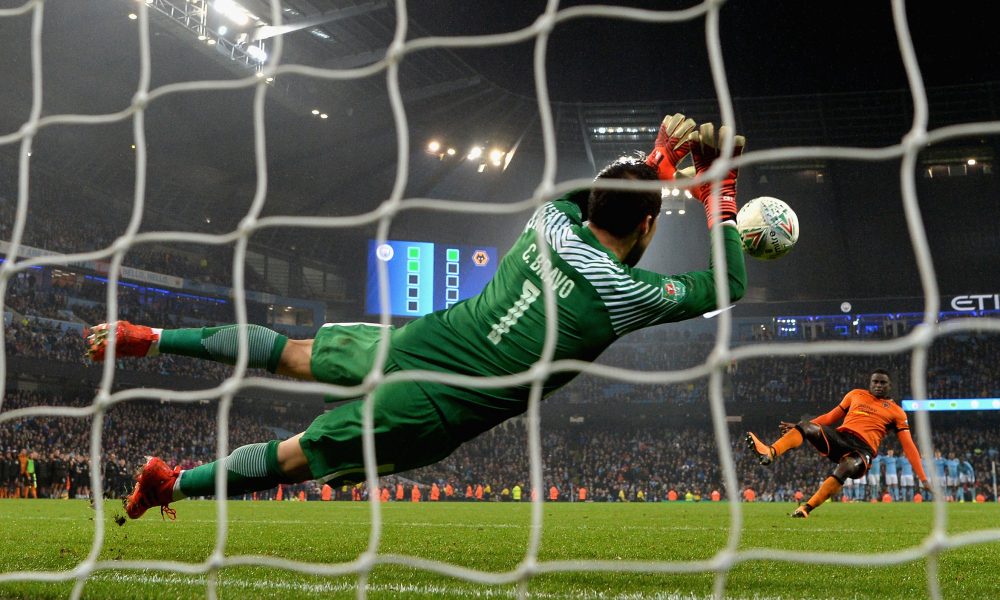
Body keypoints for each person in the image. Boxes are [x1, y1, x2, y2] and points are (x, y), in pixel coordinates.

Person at [86, 113, 749, 520]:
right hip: (432, 409)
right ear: (649, 226)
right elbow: (728, 283)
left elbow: (582, 196)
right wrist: (719, 197)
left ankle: (147, 337)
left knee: (289, 351)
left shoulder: (548, 223)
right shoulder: (625, 292)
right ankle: (173, 486)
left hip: (419, 342)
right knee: (295, 457)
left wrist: (653, 165)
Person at [745, 369, 930, 518]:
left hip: (862, 450)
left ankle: (806, 508)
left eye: (883, 383)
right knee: (806, 426)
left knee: (847, 466)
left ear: (890, 386)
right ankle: (770, 452)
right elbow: (829, 417)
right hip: (840, 438)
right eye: (875, 382)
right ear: (870, 383)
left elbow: (909, 446)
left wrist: (923, 479)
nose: (878, 385)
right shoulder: (855, 394)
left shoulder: (897, 412)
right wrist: (799, 427)